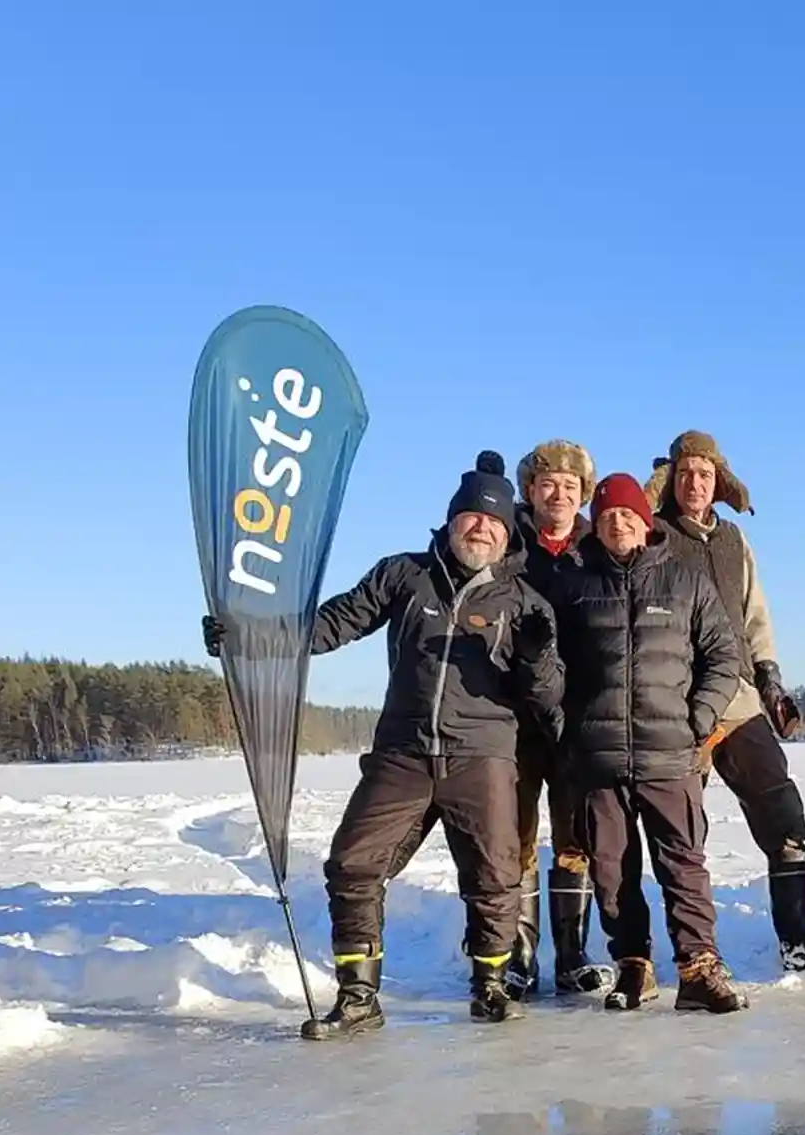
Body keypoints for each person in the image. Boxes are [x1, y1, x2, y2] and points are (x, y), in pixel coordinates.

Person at [206, 450, 562, 1037]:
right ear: (451, 522)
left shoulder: (525, 603)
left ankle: (491, 985)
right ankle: (358, 996)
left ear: (509, 533)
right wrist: (248, 634)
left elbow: (547, 701)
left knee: (496, 876)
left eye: (495, 522)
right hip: (402, 752)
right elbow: (329, 625)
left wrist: (537, 656)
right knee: (353, 864)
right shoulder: (404, 575)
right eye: (472, 517)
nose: (482, 528)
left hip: (482, 756)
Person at [649, 429, 805, 971]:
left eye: (705, 475)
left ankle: (798, 938)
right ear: (672, 480)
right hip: (675, 699)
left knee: (782, 812)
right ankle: (687, 953)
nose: (695, 483)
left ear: (719, 483)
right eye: (686, 473)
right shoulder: (654, 535)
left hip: (736, 697)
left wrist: (771, 681)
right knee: (681, 830)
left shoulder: (735, 540)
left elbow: (755, 615)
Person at [546, 471, 747, 1013]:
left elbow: (724, 657)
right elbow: (547, 663)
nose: (618, 524)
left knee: (683, 864)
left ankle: (699, 967)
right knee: (611, 869)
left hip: (670, 751)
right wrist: (566, 726)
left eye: (628, 515)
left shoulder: (684, 581)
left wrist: (697, 716)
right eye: (608, 516)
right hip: (597, 756)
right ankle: (633, 964)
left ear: (645, 521)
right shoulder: (573, 584)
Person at [511, 438, 606, 999]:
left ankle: (572, 953)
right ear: (530, 491)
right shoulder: (509, 544)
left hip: (577, 718)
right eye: (549, 484)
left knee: (576, 838)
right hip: (515, 719)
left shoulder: (596, 547)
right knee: (516, 838)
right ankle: (521, 956)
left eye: (571, 487)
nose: (559, 494)